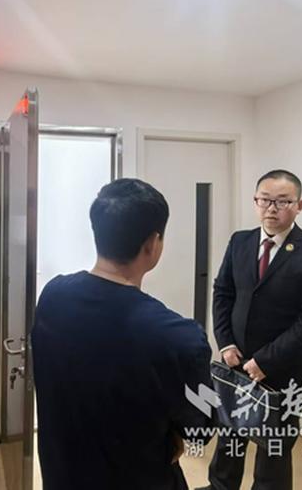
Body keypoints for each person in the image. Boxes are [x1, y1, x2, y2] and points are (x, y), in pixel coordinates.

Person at [32, 178, 213, 490]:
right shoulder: (179, 338)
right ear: (152, 244)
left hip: (63, 476)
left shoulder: (53, 296)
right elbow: (201, 428)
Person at [198, 170, 302, 490]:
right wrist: (225, 343)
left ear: (299, 205)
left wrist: (265, 361)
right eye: (264, 200)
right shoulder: (240, 241)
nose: (271, 208)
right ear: (255, 202)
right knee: (229, 436)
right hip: (235, 362)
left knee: (273, 449)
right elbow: (223, 293)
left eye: (282, 201)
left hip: (281, 370)